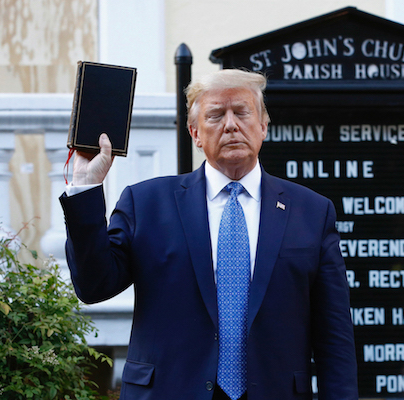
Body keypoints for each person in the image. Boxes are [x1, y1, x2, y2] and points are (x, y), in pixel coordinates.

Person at [60, 69, 358, 400]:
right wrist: (86, 188)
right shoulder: (146, 204)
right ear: (195, 133)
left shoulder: (312, 212)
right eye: (216, 115)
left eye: (242, 112)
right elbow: (93, 286)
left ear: (263, 126)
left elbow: (335, 336)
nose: (231, 124)